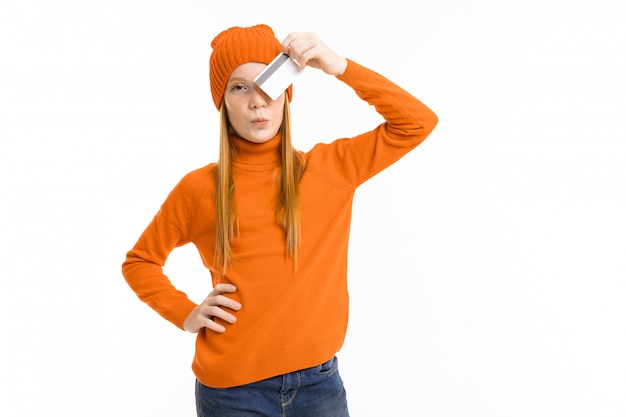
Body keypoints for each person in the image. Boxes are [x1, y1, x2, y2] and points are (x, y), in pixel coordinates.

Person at [122, 23, 438, 417]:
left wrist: (338, 65)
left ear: (287, 91)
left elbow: (417, 122)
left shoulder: (329, 170)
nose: (257, 101)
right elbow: (140, 262)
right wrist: (185, 313)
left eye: (268, 82)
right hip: (231, 394)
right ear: (222, 102)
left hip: (319, 385)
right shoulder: (199, 190)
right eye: (239, 87)